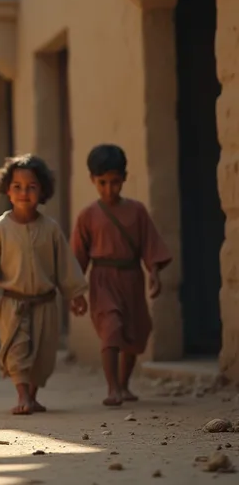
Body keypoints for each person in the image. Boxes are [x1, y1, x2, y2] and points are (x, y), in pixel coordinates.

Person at [0, 154, 88, 415]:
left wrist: (76, 293)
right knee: (18, 351)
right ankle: (22, 395)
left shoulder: (51, 229)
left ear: (42, 190)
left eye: (32, 187)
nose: (24, 192)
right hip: (13, 304)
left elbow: (65, 266)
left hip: (46, 303)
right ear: (7, 190)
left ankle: (32, 395)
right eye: (17, 187)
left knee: (43, 356)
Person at [71, 144, 171, 406]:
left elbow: (150, 245)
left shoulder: (137, 211)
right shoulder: (88, 216)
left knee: (134, 331)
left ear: (124, 178)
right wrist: (74, 291)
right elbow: (77, 258)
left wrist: (155, 273)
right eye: (102, 182)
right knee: (111, 328)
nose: (108, 189)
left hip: (132, 277)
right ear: (93, 180)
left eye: (114, 182)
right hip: (103, 280)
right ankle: (112, 387)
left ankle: (125, 385)